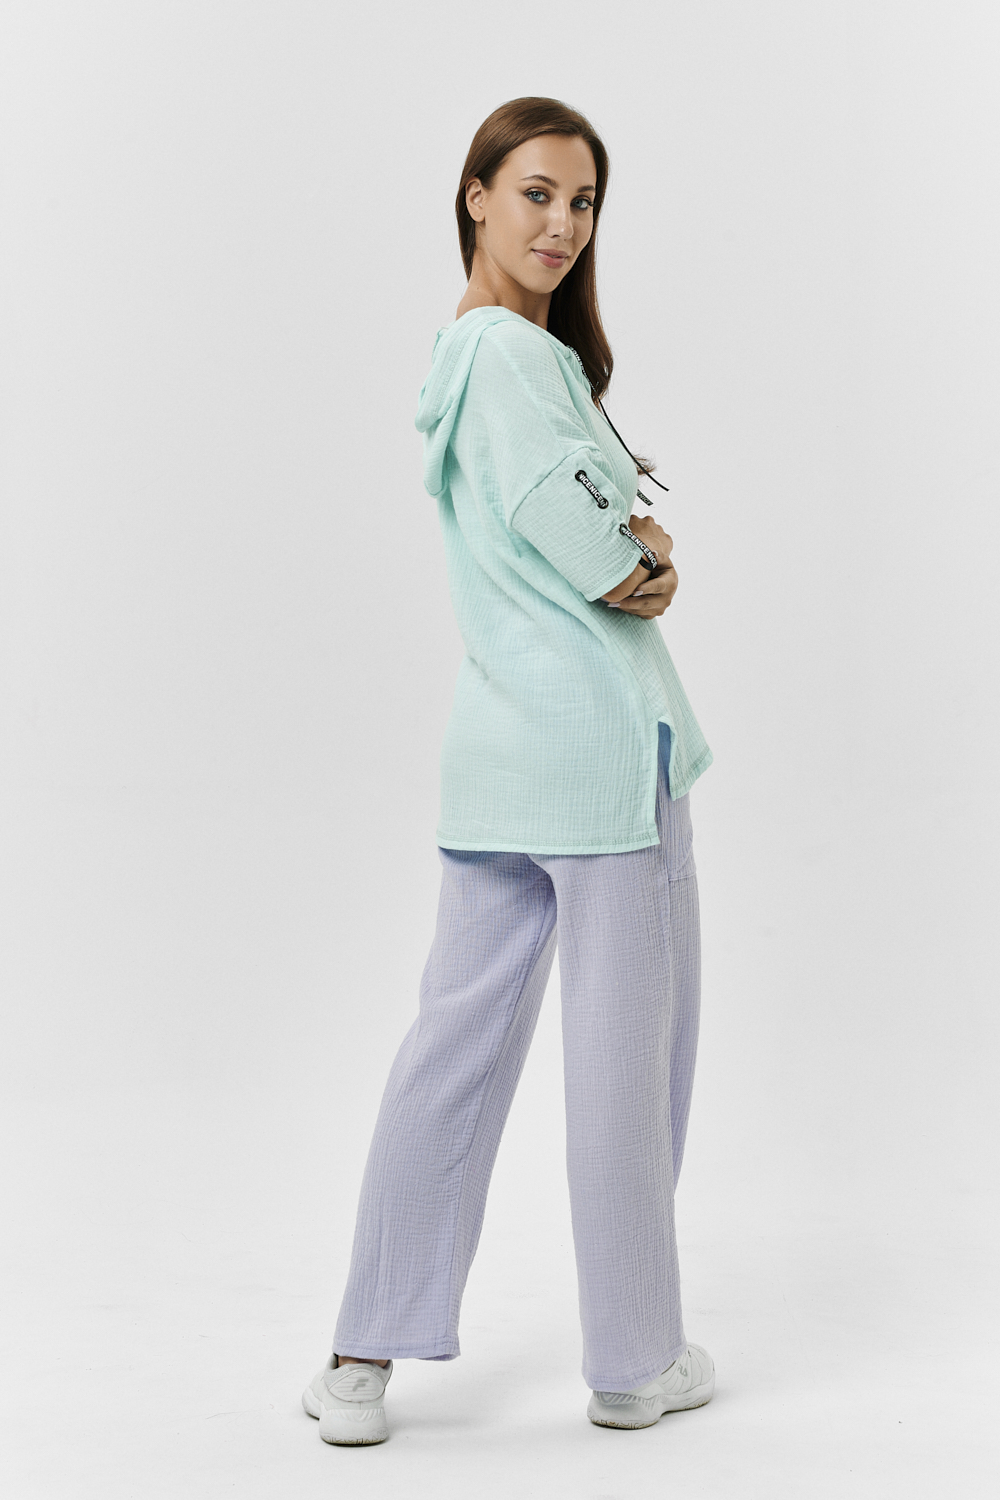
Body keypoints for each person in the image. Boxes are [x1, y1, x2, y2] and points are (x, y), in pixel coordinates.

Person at [302, 96, 715, 1446]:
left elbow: (551, 524)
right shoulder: (513, 358)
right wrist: (646, 550)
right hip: (600, 760)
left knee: (452, 1054)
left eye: (583, 203)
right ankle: (635, 1363)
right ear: (475, 195)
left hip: (498, 758)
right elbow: (598, 549)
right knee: (626, 1075)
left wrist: (631, 536)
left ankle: (359, 1361)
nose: (562, 223)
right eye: (536, 192)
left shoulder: (465, 356)